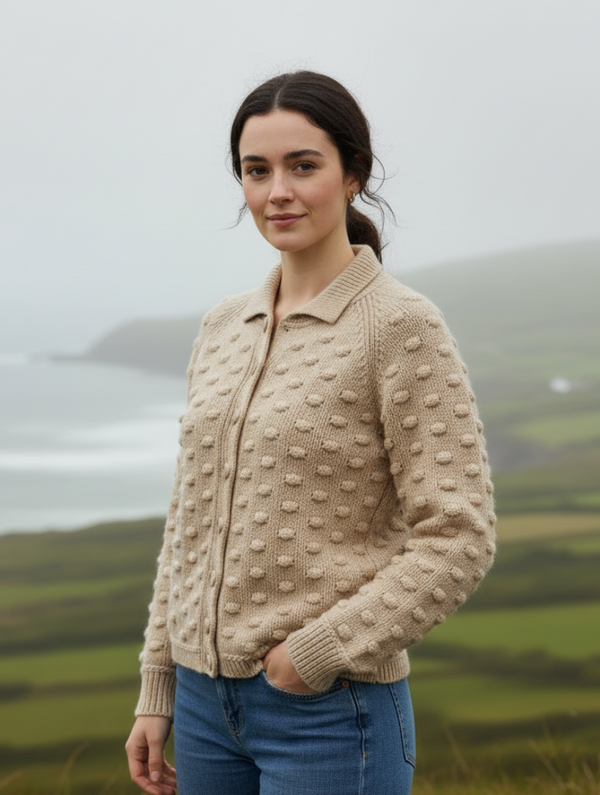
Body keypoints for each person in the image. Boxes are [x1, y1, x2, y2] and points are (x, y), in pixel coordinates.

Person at [125, 70, 496, 795]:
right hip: (202, 708)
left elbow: (460, 535)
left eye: (303, 166)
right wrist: (159, 685)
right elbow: (189, 526)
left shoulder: (400, 327)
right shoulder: (223, 325)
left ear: (353, 173)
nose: (277, 192)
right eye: (256, 171)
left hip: (328, 712)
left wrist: (317, 653)